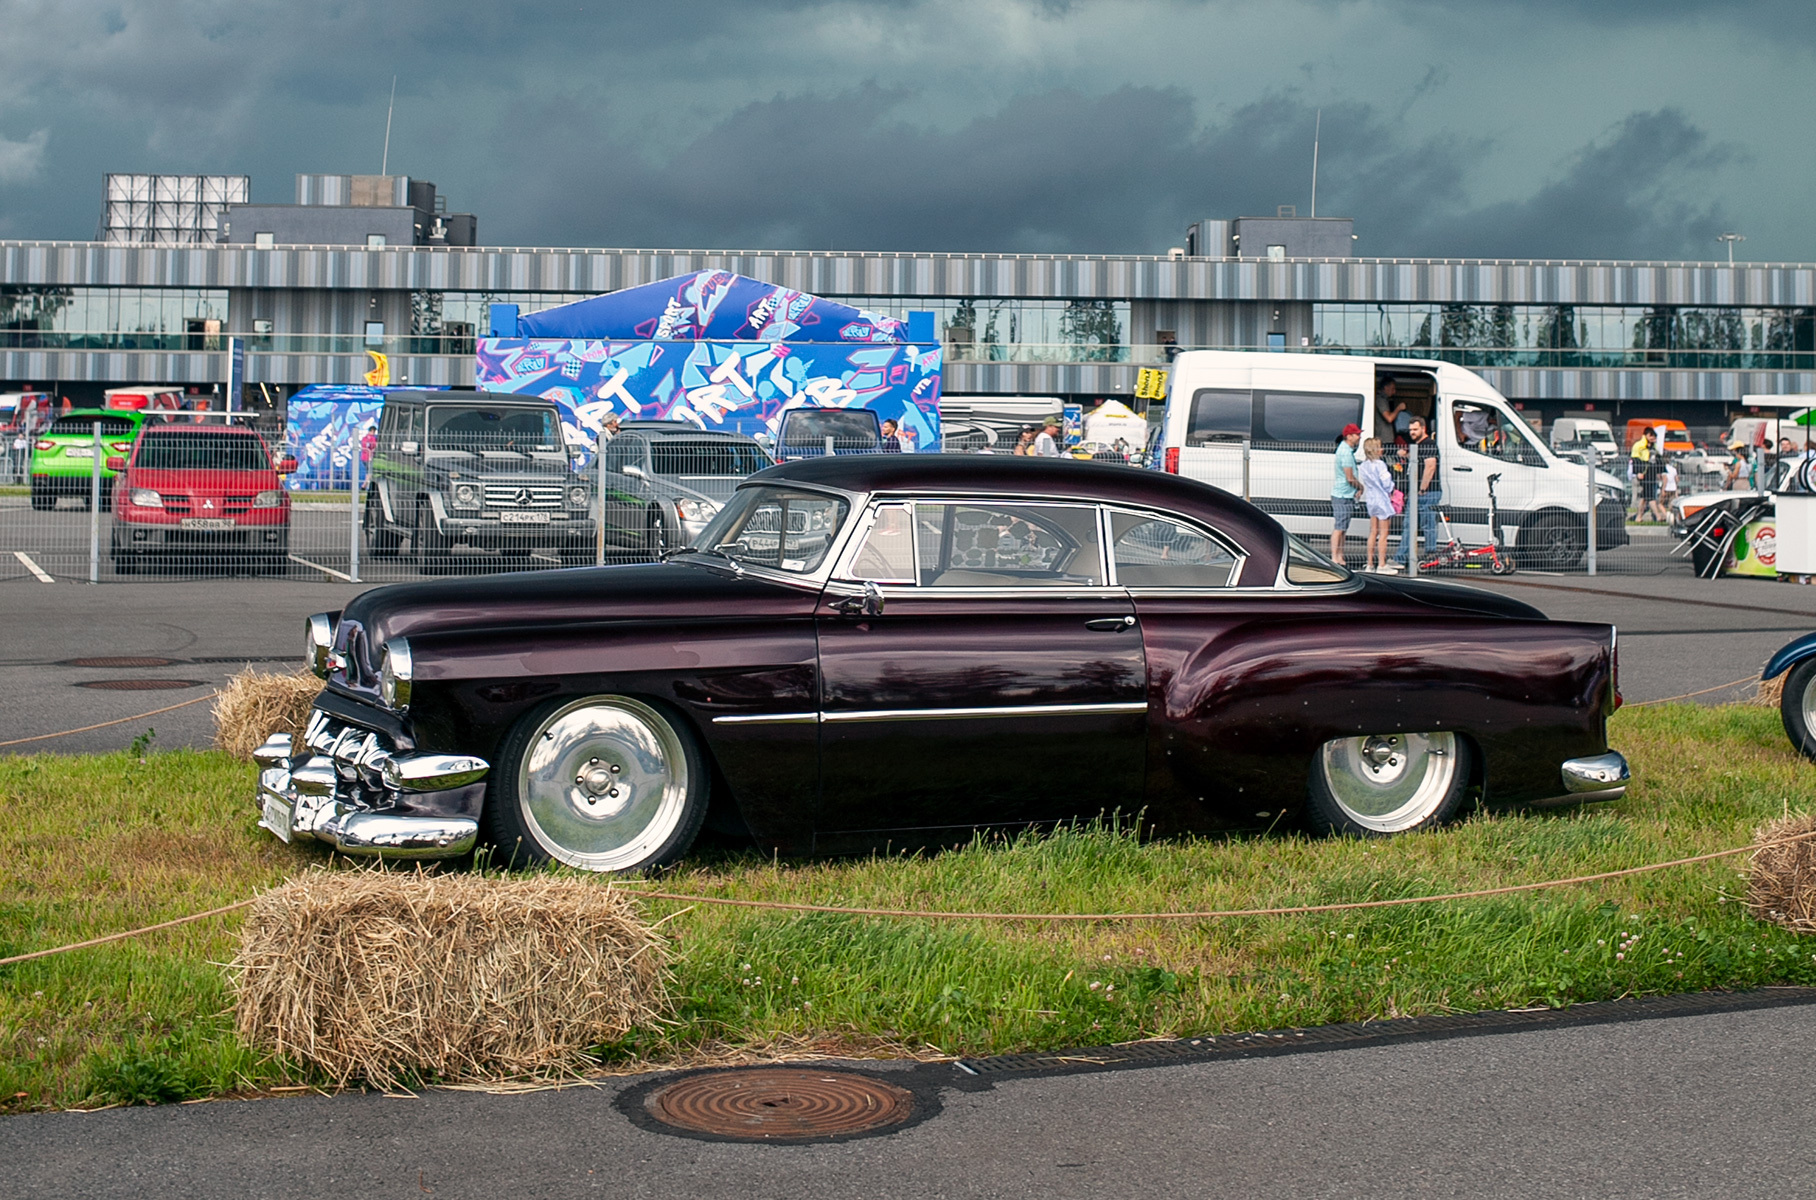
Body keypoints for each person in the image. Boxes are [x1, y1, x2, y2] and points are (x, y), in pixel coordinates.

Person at [1398, 416, 1442, 570]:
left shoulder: (1429, 444)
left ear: (1423, 428)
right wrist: (1407, 455)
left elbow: (1430, 466)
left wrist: (1422, 489)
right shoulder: (1419, 445)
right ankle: (1405, 558)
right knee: (1415, 525)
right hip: (1421, 492)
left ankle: (1424, 557)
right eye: (1410, 430)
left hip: (1427, 492)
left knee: (1425, 525)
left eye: (1415, 429)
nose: (1412, 433)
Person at [1357, 437, 1397, 573]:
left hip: (1371, 499)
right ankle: (1381, 564)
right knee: (1384, 533)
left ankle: (1370, 564)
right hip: (1382, 500)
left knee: (1373, 532)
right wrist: (1392, 488)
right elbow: (1386, 482)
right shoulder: (1380, 465)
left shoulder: (1363, 466)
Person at [1329, 423, 1363, 564]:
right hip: (1343, 494)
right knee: (1339, 528)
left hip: (1344, 494)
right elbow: (1349, 477)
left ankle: (1340, 556)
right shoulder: (1346, 452)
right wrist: (1360, 487)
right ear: (1349, 436)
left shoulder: (1344, 450)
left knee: (1343, 528)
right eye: (1357, 434)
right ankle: (1335, 557)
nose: (1359, 437)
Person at [1653, 455, 1678, 524]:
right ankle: (1672, 517)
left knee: (1660, 503)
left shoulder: (1664, 469)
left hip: (1666, 488)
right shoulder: (1673, 469)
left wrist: (1663, 489)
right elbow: (1677, 479)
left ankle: (1667, 516)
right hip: (1673, 488)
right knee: (1671, 504)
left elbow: (1665, 479)